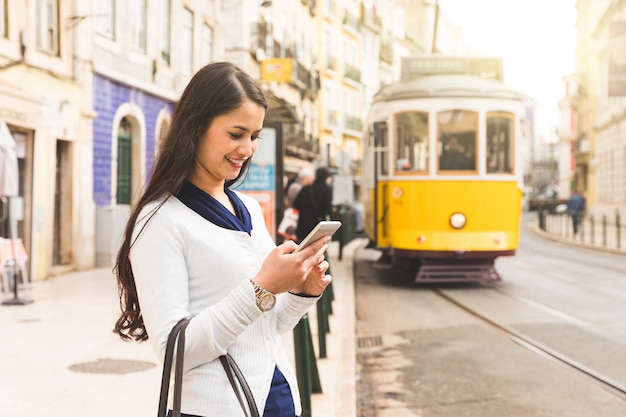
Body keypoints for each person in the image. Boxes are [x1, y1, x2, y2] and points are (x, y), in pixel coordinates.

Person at [113, 62, 332, 417]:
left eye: (255, 136)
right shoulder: (159, 220)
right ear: (196, 127)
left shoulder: (246, 206)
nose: (247, 149)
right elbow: (173, 351)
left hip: (276, 397)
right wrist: (261, 287)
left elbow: (267, 327)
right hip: (218, 406)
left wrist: (300, 292)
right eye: (236, 134)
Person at [292, 167, 333, 243]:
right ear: (327, 177)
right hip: (318, 225)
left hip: (303, 224)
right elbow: (327, 210)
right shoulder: (327, 189)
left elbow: (296, 204)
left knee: (301, 246)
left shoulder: (307, 188)